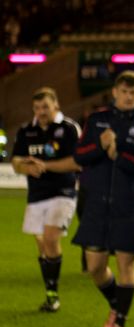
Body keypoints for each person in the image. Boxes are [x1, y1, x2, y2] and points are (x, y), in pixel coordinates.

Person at [73, 70, 134, 327]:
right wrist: (101, 145)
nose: (128, 96)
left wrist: (118, 154)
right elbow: (80, 155)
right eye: (124, 91)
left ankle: (120, 322)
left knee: (125, 263)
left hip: (128, 204)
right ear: (115, 92)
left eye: (133, 92)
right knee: (95, 266)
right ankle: (115, 304)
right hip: (97, 203)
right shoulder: (97, 119)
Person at [11, 87, 81, 312]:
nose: (41, 112)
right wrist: (24, 167)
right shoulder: (26, 131)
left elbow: (77, 162)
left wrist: (45, 165)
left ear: (56, 106)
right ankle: (50, 292)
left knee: (51, 238)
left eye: (45, 107)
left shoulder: (69, 129)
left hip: (63, 192)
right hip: (36, 195)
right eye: (37, 108)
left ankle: (53, 294)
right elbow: (16, 161)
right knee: (42, 245)